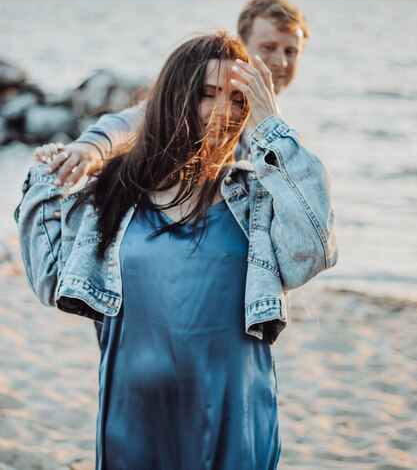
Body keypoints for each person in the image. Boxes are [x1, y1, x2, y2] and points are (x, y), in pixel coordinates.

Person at [16, 32, 337, 470]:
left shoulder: (256, 200)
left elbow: (315, 245)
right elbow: (51, 279)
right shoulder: (114, 195)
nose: (225, 111)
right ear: (175, 99)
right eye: (208, 95)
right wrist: (44, 183)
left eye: (240, 100)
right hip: (135, 418)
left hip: (234, 417)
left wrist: (270, 125)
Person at [34, 0, 309, 184]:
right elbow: (135, 120)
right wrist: (90, 148)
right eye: (268, 48)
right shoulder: (202, 103)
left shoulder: (279, 131)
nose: (281, 61)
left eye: (291, 51)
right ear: (241, 48)